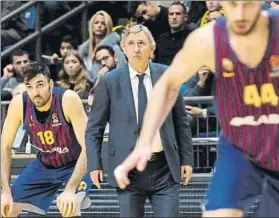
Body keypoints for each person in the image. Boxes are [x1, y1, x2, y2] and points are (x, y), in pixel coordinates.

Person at [114, 2, 279, 217]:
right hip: (239, 146)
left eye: (247, 4)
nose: (239, 14)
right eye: (232, 4)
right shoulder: (207, 39)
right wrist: (144, 142)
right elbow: (168, 84)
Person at [85, 24, 193, 217]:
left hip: (164, 167)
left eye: (141, 43)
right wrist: (94, 164)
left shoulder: (167, 75)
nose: (136, 49)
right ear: (123, 49)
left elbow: (181, 121)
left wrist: (187, 159)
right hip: (128, 169)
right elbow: (94, 128)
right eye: (131, 43)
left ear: (152, 48)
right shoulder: (110, 81)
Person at [1, 62, 91, 217]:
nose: (35, 92)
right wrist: (5, 192)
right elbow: (4, 148)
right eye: (29, 86)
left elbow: (89, 146)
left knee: (70, 207)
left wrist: (70, 190)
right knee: (6, 209)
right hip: (45, 164)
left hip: (75, 163)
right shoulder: (19, 104)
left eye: (40, 85)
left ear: (50, 83)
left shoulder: (68, 99)